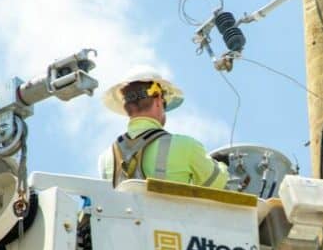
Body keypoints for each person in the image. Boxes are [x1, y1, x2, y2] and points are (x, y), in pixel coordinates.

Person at [98, 68, 228, 189]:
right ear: (159, 100)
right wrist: (223, 164)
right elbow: (219, 183)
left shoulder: (105, 159)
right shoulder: (186, 147)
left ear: (126, 108)